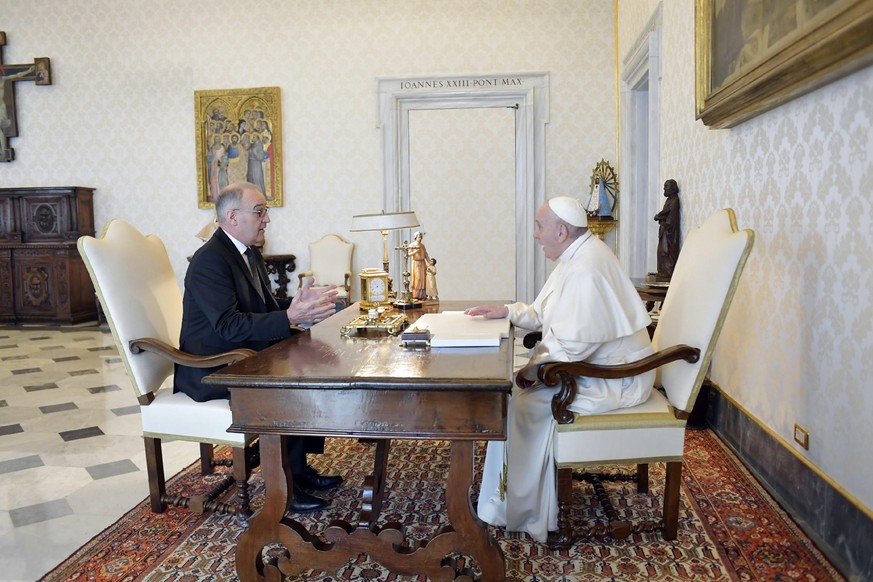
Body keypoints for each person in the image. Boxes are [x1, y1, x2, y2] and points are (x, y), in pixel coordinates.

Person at [464, 196, 655, 543]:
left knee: (519, 401)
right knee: (512, 389)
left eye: (539, 227)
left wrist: (531, 372)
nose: (535, 235)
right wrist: (506, 311)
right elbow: (542, 312)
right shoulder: (575, 255)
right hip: (595, 367)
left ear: (562, 230)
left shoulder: (586, 268)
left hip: (615, 380)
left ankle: (525, 512)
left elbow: (573, 347)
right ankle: (503, 497)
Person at [176, 181, 342, 512]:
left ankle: (297, 469)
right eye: (260, 211)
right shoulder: (209, 261)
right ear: (233, 217)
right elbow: (228, 325)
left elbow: (264, 307)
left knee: (307, 361)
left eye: (265, 211)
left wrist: (298, 307)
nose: (267, 218)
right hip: (211, 366)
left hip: (242, 354)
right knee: (285, 384)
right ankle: (284, 490)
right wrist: (289, 316)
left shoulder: (248, 252)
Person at [654, 179, 681, 278]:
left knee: (666, 251)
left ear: (673, 188)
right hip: (664, 230)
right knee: (661, 251)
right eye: (664, 186)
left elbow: (668, 212)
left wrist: (659, 216)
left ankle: (667, 272)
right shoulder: (669, 199)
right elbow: (665, 211)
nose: (664, 188)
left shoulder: (675, 200)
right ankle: (661, 270)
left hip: (669, 231)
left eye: (667, 186)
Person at [408, 231, 430, 300]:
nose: (419, 238)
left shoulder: (422, 245)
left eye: (420, 237)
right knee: (418, 278)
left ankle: (422, 295)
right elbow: (409, 254)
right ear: (416, 237)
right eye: (418, 237)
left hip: (422, 263)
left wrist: (429, 261)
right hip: (416, 263)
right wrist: (415, 251)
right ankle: (416, 295)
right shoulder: (412, 245)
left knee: (423, 278)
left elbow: (426, 254)